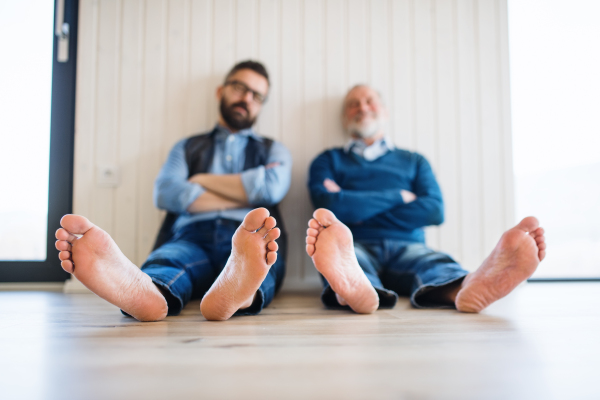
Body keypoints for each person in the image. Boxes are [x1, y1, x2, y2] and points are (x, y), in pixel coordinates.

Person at [55, 61, 291, 322]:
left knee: (259, 263)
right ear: (220, 91)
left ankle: (242, 295)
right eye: (240, 87)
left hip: (249, 237)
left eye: (256, 95)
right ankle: (148, 292)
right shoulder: (186, 146)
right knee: (171, 259)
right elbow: (166, 193)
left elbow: (270, 189)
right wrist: (244, 193)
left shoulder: (273, 149)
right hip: (191, 234)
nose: (246, 98)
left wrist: (201, 180)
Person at [305, 84, 546, 314]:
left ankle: (467, 288)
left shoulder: (414, 161)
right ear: (344, 118)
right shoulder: (327, 160)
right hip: (353, 246)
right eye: (353, 104)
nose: (363, 107)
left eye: (370, 101)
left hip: (408, 246)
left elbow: (433, 211)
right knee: (351, 264)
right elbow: (331, 206)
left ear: (385, 112)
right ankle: (354, 292)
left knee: (434, 264)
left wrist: (354, 207)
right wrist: (399, 196)